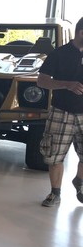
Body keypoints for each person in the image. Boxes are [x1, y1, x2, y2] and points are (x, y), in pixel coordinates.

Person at [37, 17, 83, 207]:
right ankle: (55, 193)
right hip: (61, 112)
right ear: (81, 32)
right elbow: (42, 81)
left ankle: (79, 181)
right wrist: (67, 84)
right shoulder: (59, 54)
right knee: (54, 155)